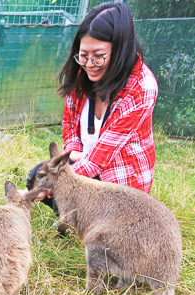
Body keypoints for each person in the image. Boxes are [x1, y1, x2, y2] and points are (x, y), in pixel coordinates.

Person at [29, 1, 158, 208]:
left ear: (120, 50)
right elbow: (69, 125)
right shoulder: (83, 73)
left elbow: (98, 160)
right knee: (35, 175)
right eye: (83, 55)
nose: (89, 64)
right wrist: (72, 155)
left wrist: (52, 186)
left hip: (119, 182)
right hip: (85, 165)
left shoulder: (141, 88)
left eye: (98, 56)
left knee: (48, 187)